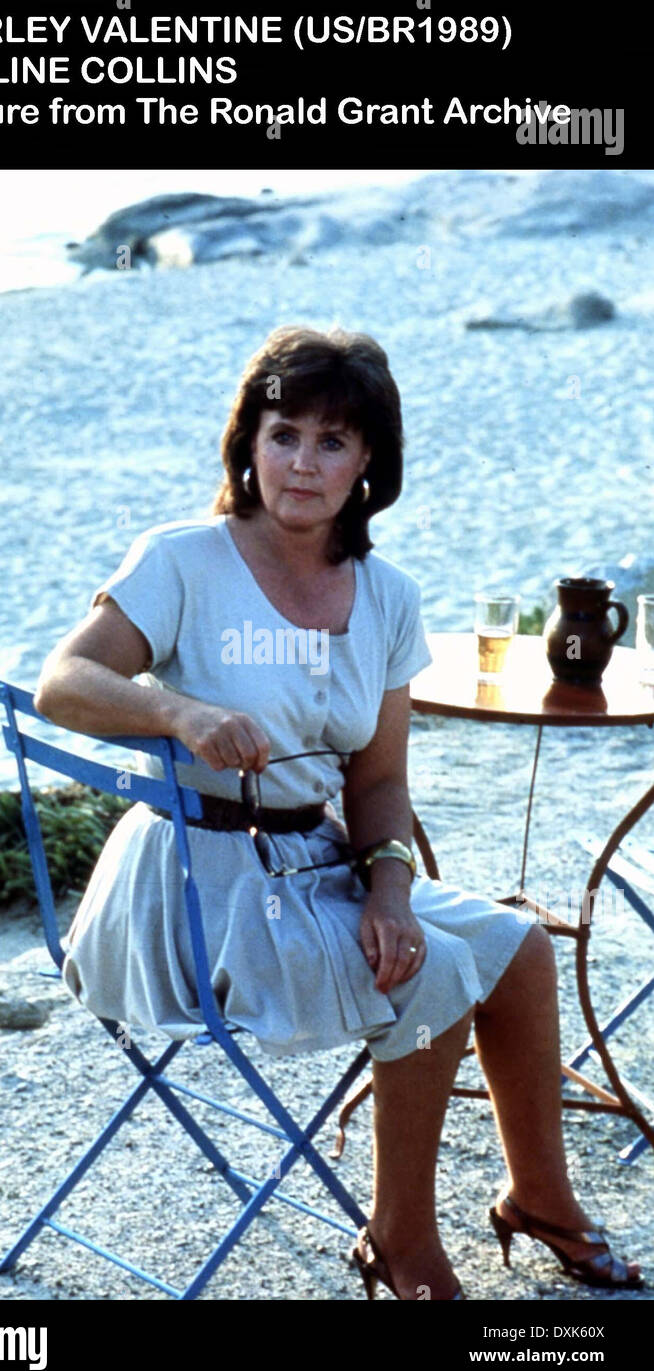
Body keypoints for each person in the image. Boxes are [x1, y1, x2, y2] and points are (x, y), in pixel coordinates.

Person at [34, 324, 643, 1300]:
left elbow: (377, 783)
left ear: (368, 464)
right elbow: (61, 682)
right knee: (432, 973)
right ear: (248, 443)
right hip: (195, 888)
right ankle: (403, 1242)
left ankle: (539, 1198)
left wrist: (390, 891)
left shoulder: (387, 596)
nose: (302, 464)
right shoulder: (183, 560)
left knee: (519, 950)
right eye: (283, 435)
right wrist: (178, 712)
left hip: (312, 862)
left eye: (331, 441)